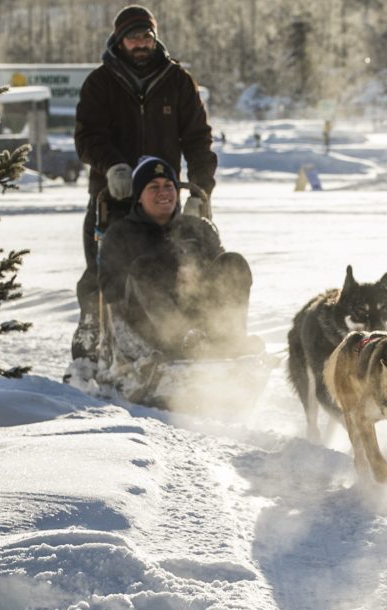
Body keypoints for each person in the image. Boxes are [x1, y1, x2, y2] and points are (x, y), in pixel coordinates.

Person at [71, 5, 218, 365]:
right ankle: (93, 344)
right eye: (133, 37)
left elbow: (198, 140)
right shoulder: (100, 83)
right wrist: (113, 166)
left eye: (146, 36)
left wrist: (200, 191)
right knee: (105, 272)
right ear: (119, 40)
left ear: (155, 37)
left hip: (166, 196)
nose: (141, 43)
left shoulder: (177, 81)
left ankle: (200, 338)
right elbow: (87, 137)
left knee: (188, 267)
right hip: (115, 195)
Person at [96, 156, 255, 375]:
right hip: (144, 327)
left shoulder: (197, 228)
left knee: (234, 263)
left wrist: (197, 276)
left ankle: (230, 341)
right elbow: (111, 290)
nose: (163, 192)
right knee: (144, 268)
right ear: (139, 196)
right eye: (154, 187)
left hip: (200, 318)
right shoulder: (121, 234)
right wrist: (169, 276)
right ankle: (185, 344)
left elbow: (221, 272)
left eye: (169, 186)